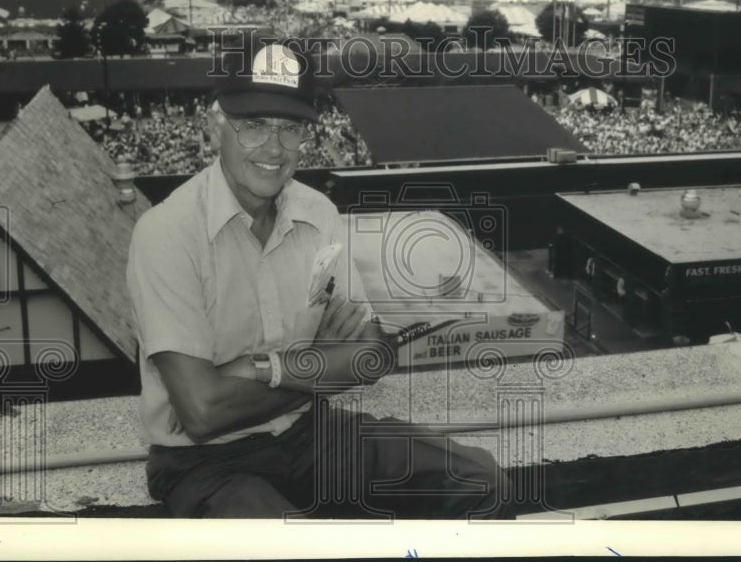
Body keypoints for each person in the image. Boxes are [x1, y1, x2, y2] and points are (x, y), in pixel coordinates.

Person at [126, 36, 509, 519]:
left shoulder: (318, 212)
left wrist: (266, 369)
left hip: (310, 435)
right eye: (253, 125)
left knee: (480, 479)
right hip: (205, 463)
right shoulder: (166, 232)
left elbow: (372, 355)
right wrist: (317, 363)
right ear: (214, 126)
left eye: (290, 128)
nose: (274, 147)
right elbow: (202, 413)